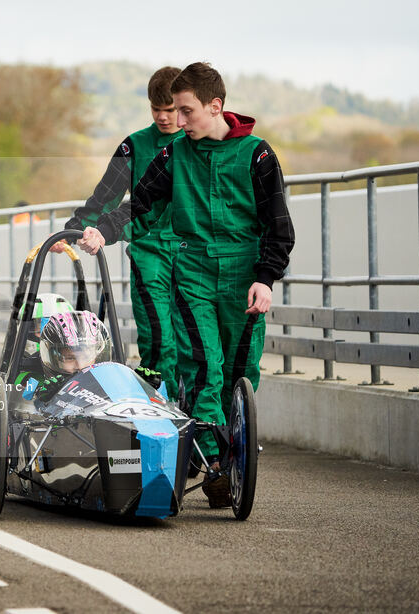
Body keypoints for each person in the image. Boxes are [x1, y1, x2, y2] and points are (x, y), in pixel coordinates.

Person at [76, 62, 295, 508]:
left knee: (241, 374)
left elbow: (278, 226)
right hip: (192, 273)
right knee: (202, 368)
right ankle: (214, 465)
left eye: (187, 111)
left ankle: (235, 456)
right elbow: (140, 203)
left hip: (243, 276)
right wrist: (103, 230)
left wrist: (266, 278)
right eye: (174, 110)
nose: (179, 120)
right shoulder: (174, 154)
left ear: (216, 107)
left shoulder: (258, 155)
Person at [61, 66, 182, 394]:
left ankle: (198, 420)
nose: (163, 117)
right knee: (159, 338)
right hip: (149, 251)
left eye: (170, 110)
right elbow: (104, 197)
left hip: (192, 252)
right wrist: (74, 230)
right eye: (156, 109)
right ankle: (159, 409)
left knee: (192, 341)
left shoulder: (197, 144)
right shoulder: (134, 146)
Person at [21, 311, 111, 404]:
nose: (80, 366)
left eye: (86, 357)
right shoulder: (32, 382)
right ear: (54, 358)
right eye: (70, 358)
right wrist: (43, 400)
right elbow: (20, 405)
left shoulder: (109, 381)